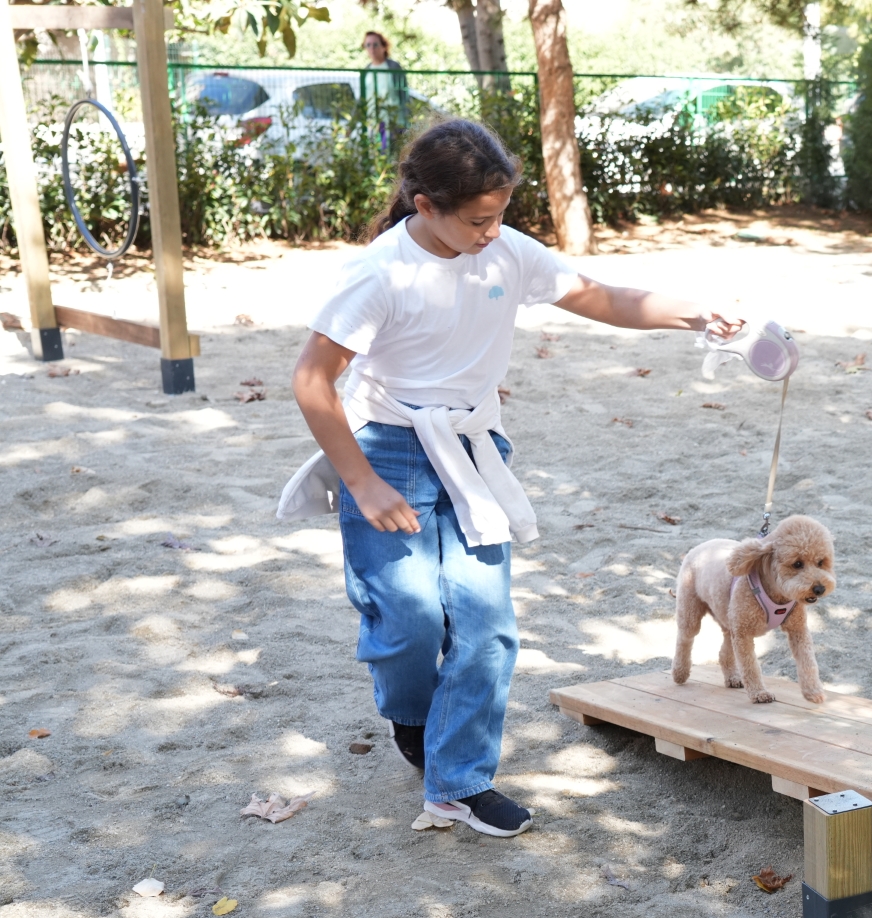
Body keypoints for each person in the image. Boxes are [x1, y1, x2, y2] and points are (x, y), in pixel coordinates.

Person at [282, 119, 741, 837]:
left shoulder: (506, 252)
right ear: (424, 204)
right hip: (388, 451)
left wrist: (693, 315)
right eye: (478, 219)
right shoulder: (379, 274)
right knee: (406, 621)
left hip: (472, 451)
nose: (493, 232)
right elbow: (311, 380)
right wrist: (363, 483)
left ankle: (459, 783)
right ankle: (410, 712)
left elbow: (603, 298)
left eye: (500, 216)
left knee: (485, 625)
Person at [360, 30, 408, 141]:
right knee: (378, 155)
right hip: (373, 123)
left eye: (375, 44)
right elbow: (362, 99)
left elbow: (404, 95)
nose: (372, 48)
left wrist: (406, 121)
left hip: (394, 123)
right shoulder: (366, 70)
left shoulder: (393, 67)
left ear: (383, 46)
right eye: (368, 45)